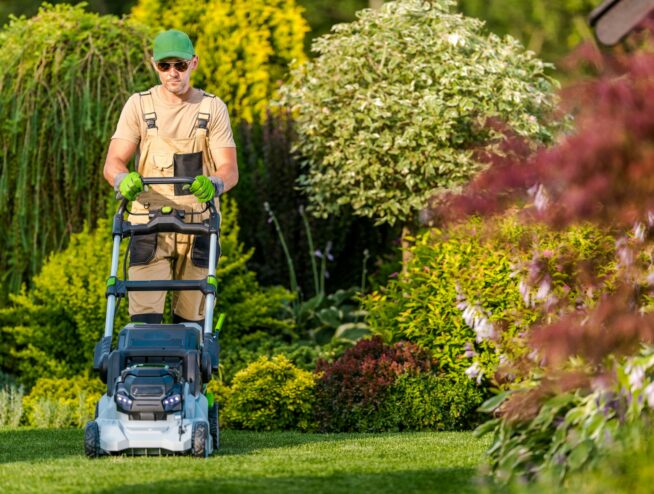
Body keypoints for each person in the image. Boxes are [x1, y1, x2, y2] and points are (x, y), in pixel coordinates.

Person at [103, 29, 238, 325]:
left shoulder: (211, 108)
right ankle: (144, 368)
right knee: (143, 321)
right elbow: (113, 162)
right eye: (165, 66)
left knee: (190, 324)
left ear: (194, 63)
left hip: (198, 225)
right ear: (155, 65)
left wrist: (214, 183)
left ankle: (189, 370)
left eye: (180, 65)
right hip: (149, 225)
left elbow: (229, 169)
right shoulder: (139, 105)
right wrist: (122, 178)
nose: (173, 73)